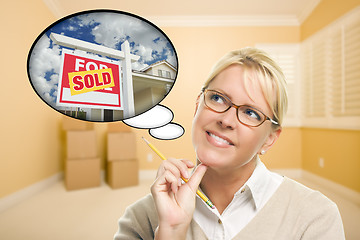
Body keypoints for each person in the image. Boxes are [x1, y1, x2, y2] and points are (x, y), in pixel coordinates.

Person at [114, 47, 345, 240]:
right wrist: (171, 232)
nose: (225, 120)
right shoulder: (141, 218)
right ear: (198, 106)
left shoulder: (316, 216)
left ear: (270, 139)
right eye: (217, 98)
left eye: (251, 113)